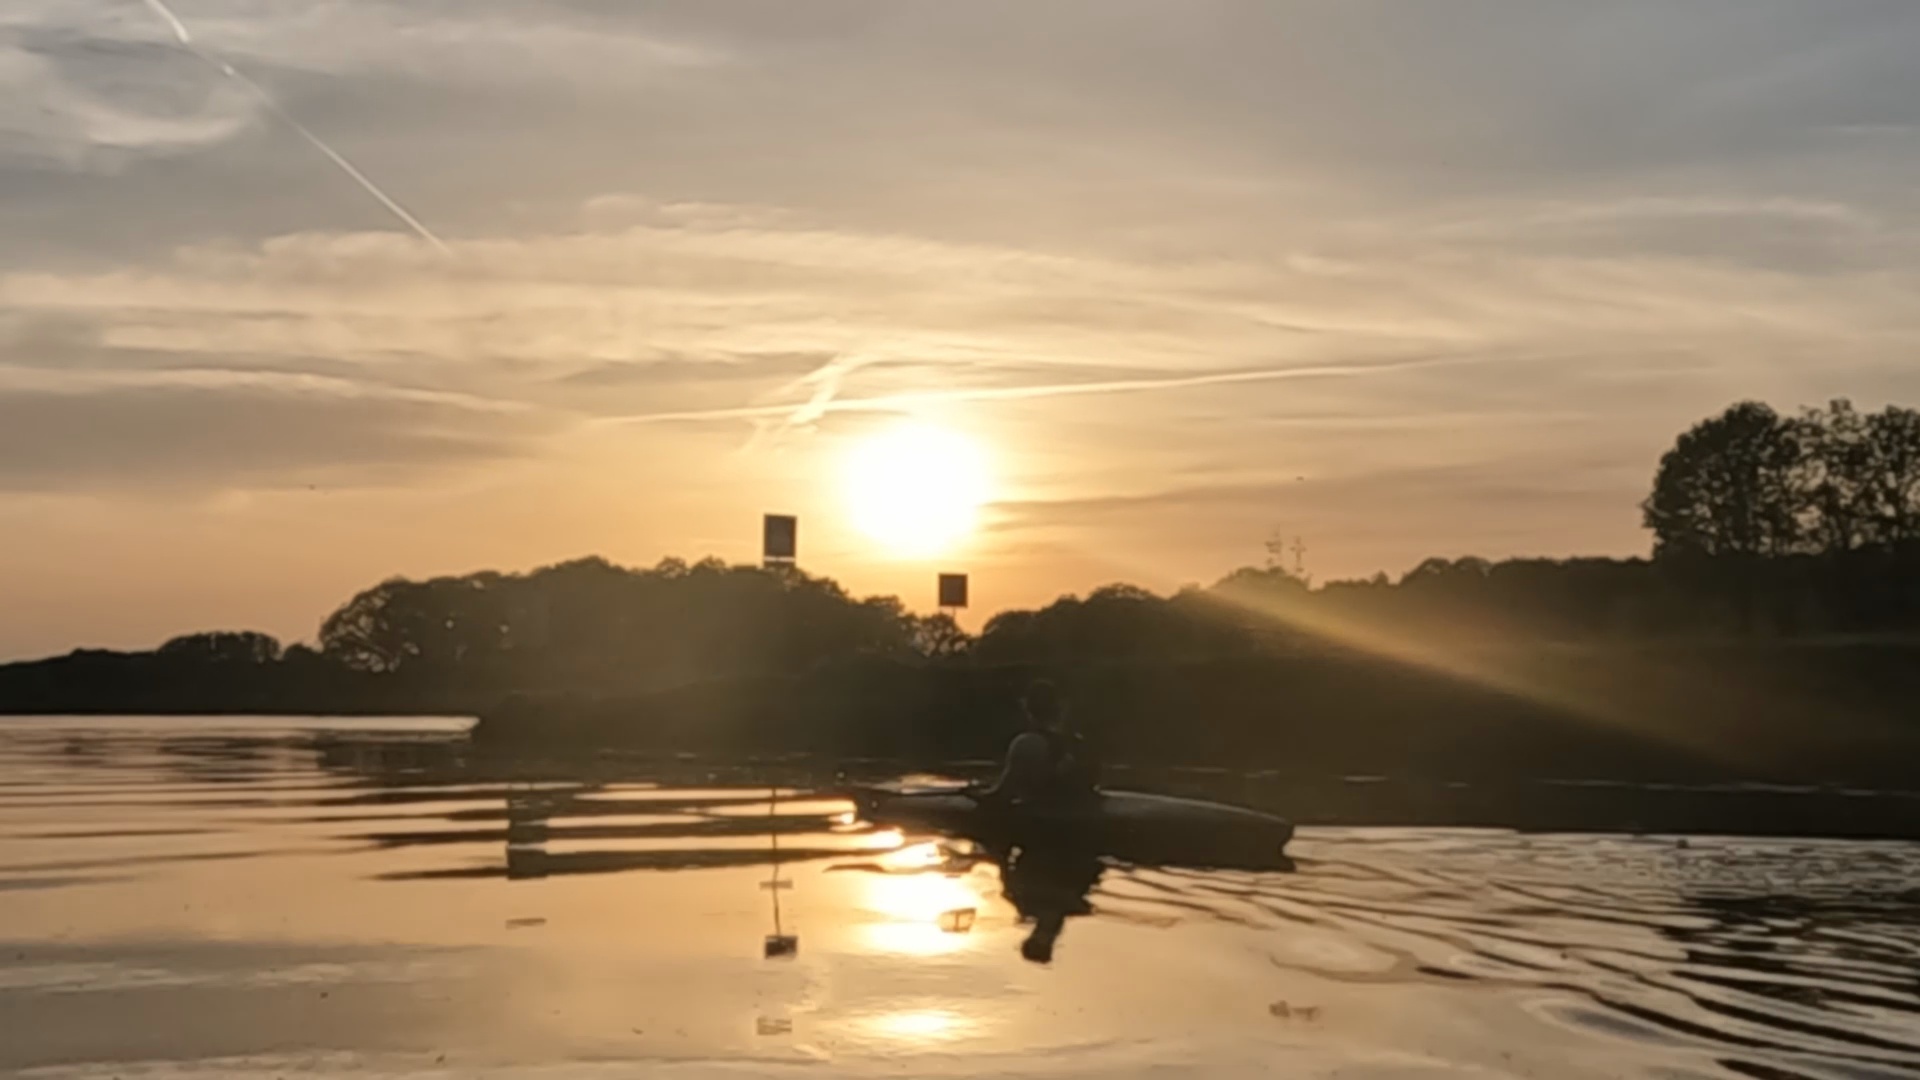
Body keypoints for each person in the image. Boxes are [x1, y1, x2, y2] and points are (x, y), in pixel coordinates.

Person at [971, 680, 1097, 807]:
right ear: (1060, 709)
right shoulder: (1080, 743)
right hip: (1081, 811)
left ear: (1028, 710)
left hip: (1043, 816)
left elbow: (1002, 795)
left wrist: (973, 794)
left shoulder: (1026, 743)